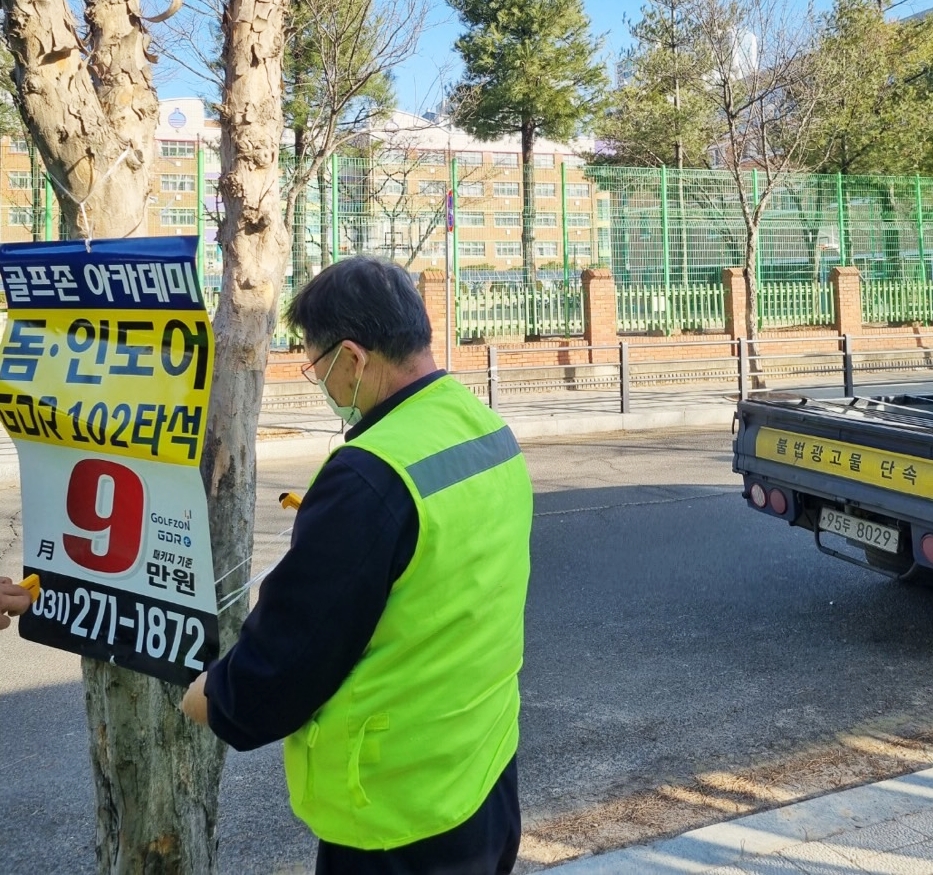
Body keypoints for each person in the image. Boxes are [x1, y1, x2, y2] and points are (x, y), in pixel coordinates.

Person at [181, 256, 533, 874]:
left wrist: (215, 697)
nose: (321, 382)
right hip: (481, 780)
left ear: (352, 358)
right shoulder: (482, 427)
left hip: (394, 819)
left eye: (316, 365)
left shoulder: (368, 477)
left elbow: (292, 657)